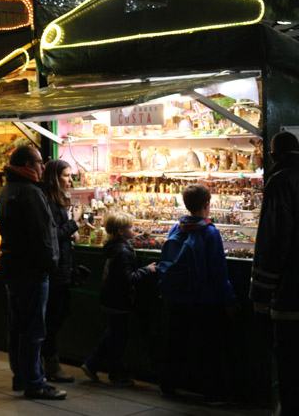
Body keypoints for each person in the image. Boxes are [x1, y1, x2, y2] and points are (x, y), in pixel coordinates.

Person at [0, 145, 66, 400]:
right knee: (34, 330)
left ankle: (21, 377)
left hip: (13, 268)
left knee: (17, 328)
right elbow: (42, 235)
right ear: (27, 164)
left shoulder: (7, 190)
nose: (43, 166)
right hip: (32, 270)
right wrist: (51, 264)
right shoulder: (30, 193)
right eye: (38, 162)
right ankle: (35, 382)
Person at [159, 183, 238, 402]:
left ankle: (167, 385)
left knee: (175, 343)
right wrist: (228, 298)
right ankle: (214, 392)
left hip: (178, 297)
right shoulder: (210, 232)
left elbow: (167, 261)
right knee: (208, 347)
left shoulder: (176, 229)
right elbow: (218, 271)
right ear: (207, 204)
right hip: (203, 299)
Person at [251, 131, 299, 415]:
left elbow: (273, 241)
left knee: (290, 365)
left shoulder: (280, 181)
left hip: (291, 294)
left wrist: (261, 291)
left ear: (271, 155)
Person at [81, 212, 156, 386]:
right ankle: (115, 373)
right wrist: (148, 270)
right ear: (121, 231)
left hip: (110, 297)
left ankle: (92, 363)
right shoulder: (123, 251)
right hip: (120, 299)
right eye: (131, 227)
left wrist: (141, 237)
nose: (134, 229)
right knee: (118, 338)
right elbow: (129, 277)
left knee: (113, 332)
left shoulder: (114, 246)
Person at [40, 159, 81, 383]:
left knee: (60, 312)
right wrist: (73, 223)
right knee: (54, 317)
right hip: (55, 271)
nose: (69, 180)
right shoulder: (49, 202)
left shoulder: (57, 201)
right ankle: (50, 364)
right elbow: (53, 235)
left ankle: (47, 361)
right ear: (55, 177)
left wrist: (71, 230)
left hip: (63, 268)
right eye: (65, 175)